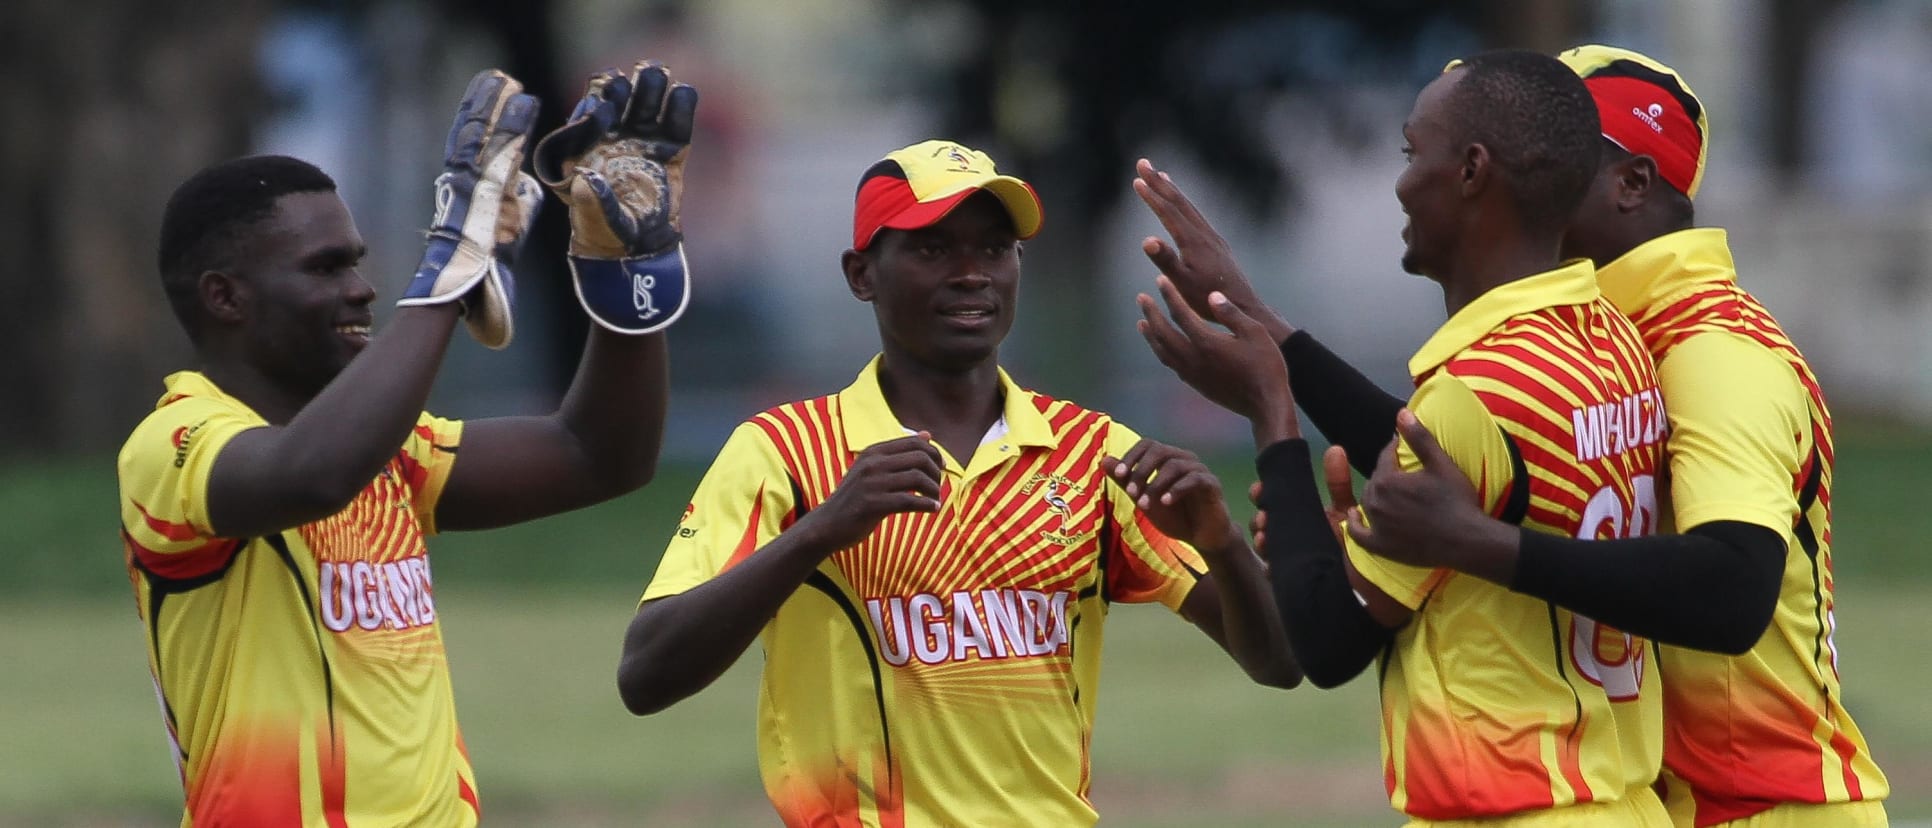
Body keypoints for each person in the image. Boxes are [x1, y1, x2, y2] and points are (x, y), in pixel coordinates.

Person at [1286, 46, 1891, 827]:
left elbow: (1734, 586)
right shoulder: (1600, 333)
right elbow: (1463, 465)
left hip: (1767, 808)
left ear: (1631, 184)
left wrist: (1484, 546)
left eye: (1564, 150)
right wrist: (1278, 354)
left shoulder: (1713, 351)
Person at [616, 139, 1297, 827]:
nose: (972, 274)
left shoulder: (1095, 453)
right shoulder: (783, 453)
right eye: (933, 249)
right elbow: (646, 676)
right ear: (862, 273)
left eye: (995, 249)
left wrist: (1221, 541)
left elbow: (1278, 661)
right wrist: (821, 529)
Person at [118, 62, 694, 825]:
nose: (361, 288)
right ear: (226, 296)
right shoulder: (171, 444)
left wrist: (626, 274)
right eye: (325, 268)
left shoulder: (394, 451)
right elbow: (311, 475)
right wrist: (452, 269)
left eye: (356, 261)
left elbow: (600, 456)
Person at [1134, 50, 1673, 824]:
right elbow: (1491, 468)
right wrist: (1256, 317)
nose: (1399, 181)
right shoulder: (1609, 339)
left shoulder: (1472, 393)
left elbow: (1324, 644)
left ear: (1471, 171)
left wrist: (1270, 411)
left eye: (1413, 151)